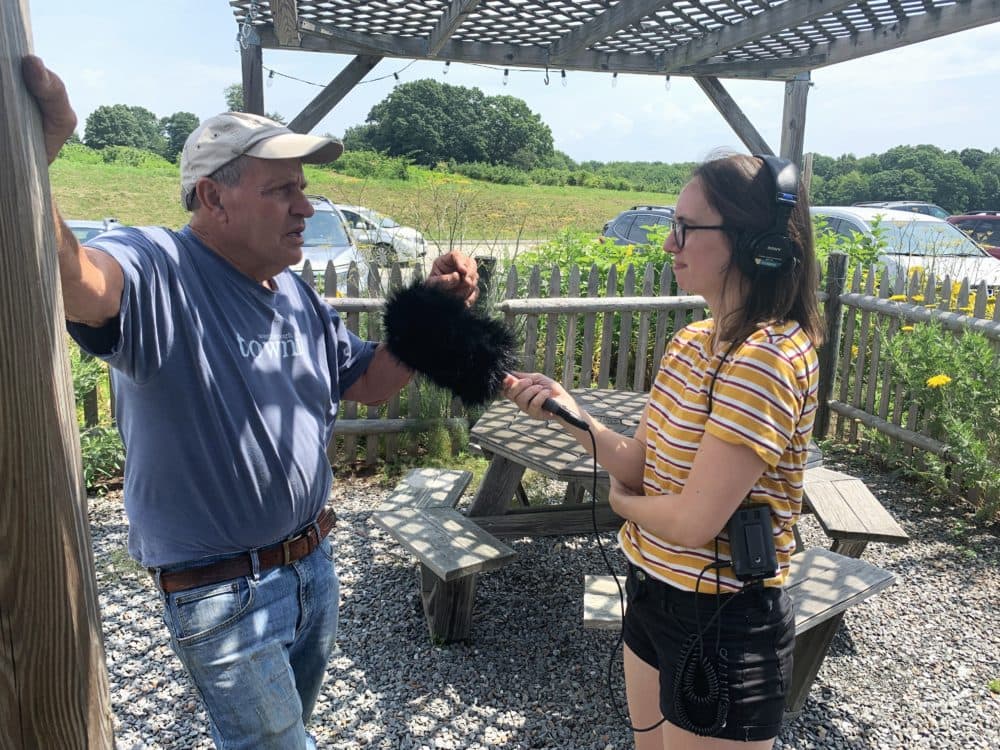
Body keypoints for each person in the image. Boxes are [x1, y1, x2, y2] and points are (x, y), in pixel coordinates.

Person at [22, 56, 479, 749]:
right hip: (220, 594)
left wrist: (433, 315)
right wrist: (38, 163)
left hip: (312, 569)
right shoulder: (160, 269)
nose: (306, 207)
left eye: (304, 188)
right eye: (282, 190)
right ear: (213, 198)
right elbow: (81, 281)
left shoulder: (293, 292)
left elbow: (370, 381)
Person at [504, 153, 822, 749]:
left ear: (755, 243)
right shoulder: (693, 341)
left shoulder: (768, 358)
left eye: (684, 227)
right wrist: (566, 411)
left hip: (722, 617)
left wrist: (625, 508)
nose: (668, 243)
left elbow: (694, 520)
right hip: (652, 590)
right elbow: (638, 464)